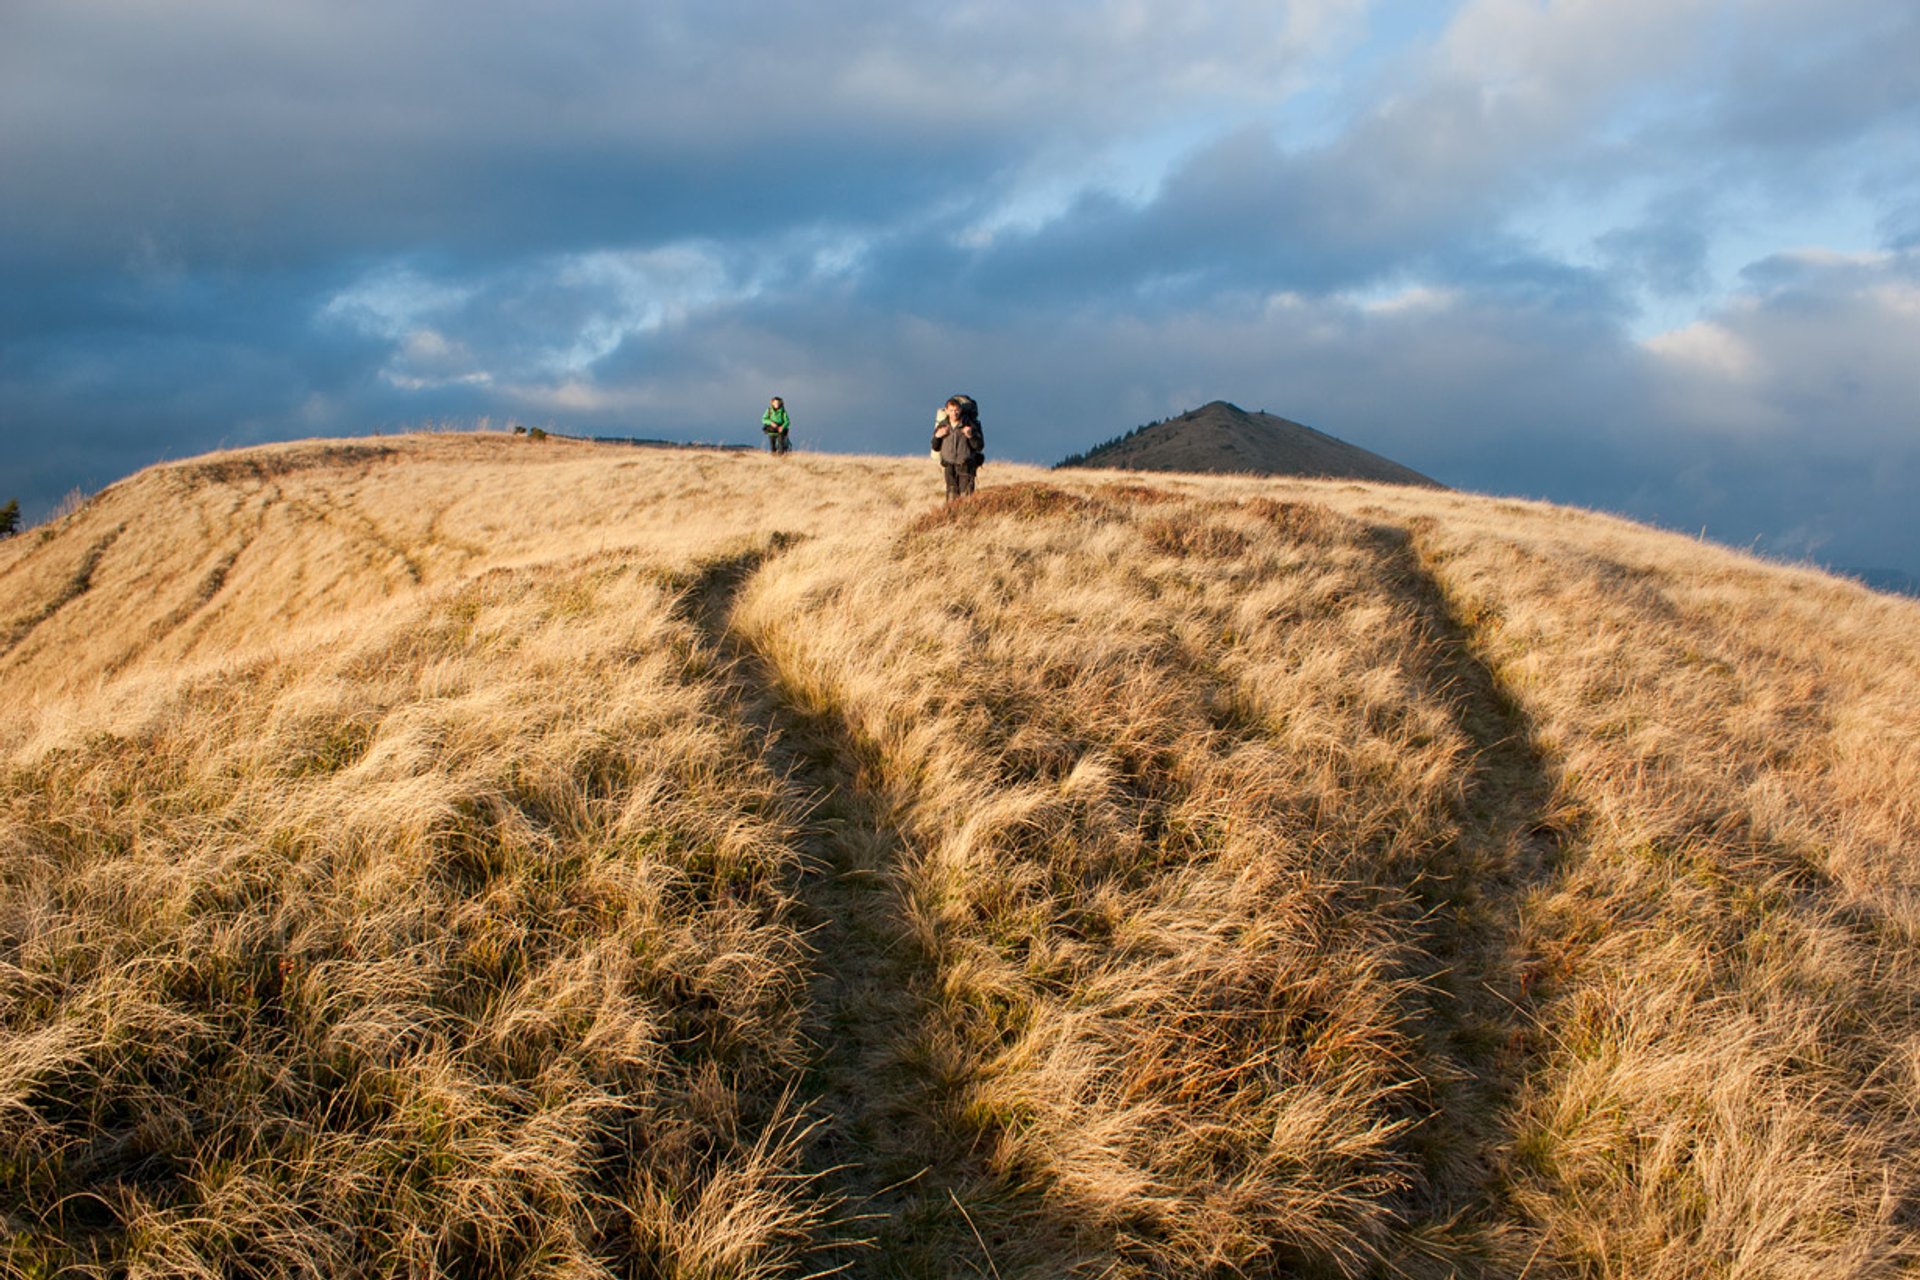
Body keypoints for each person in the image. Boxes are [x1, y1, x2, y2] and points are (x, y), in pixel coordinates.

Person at [932, 394, 983, 501]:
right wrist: (937, 436)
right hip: (949, 467)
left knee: (966, 498)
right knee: (951, 498)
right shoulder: (942, 426)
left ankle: (966, 518)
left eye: (956, 410)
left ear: (960, 410)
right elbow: (935, 447)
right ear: (946, 411)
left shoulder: (970, 426)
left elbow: (979, 446)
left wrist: (970, 436)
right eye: (951, 410)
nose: (954, 413)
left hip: (966, 466)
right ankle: (951, 518)